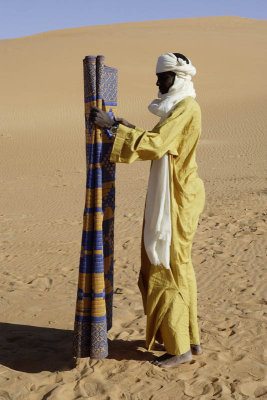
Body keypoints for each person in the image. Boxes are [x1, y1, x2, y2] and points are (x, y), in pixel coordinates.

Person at [89, 52, 205, 368]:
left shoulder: (185, 108)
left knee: (165, 266)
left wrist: (112, 125)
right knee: (177, 267)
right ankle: (189, 341)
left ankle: (179, 348)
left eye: (163, 77)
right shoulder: (179, 109)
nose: (158, 82)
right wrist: (126, 128)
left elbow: (156, 145)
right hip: (176, 196)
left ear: (177, 78)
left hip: (177, 199)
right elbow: (161, 141)